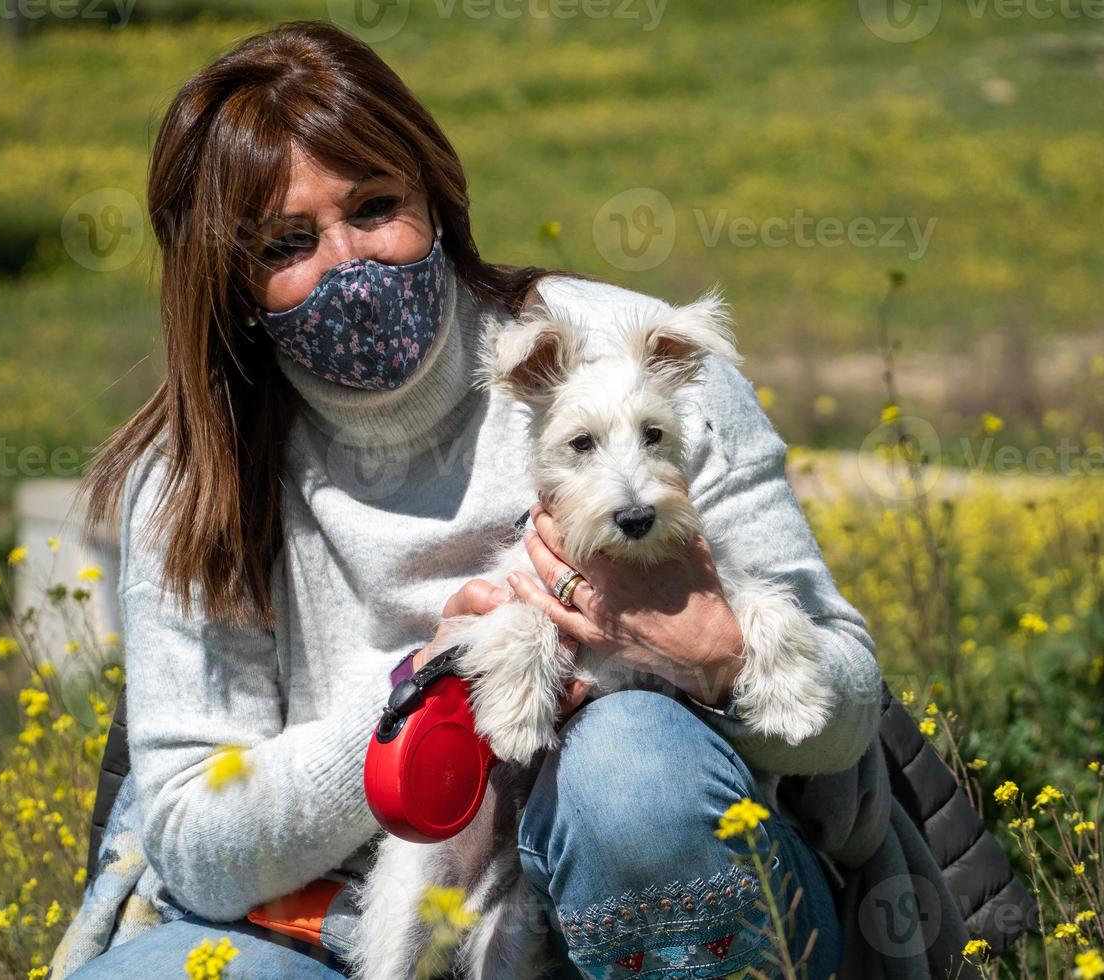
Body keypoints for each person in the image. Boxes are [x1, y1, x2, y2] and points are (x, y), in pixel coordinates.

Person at [50, 18, 894, 980]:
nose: (348, 265)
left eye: (375, 206)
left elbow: (846, 707)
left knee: (629, 768)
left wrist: (719, 656)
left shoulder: (634, 357)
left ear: (436, 195)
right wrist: (419, 697)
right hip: (329, 924)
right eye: (288, 242)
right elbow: (193, 843)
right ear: (227, 278)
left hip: (640, 892)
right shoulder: (195, 472)